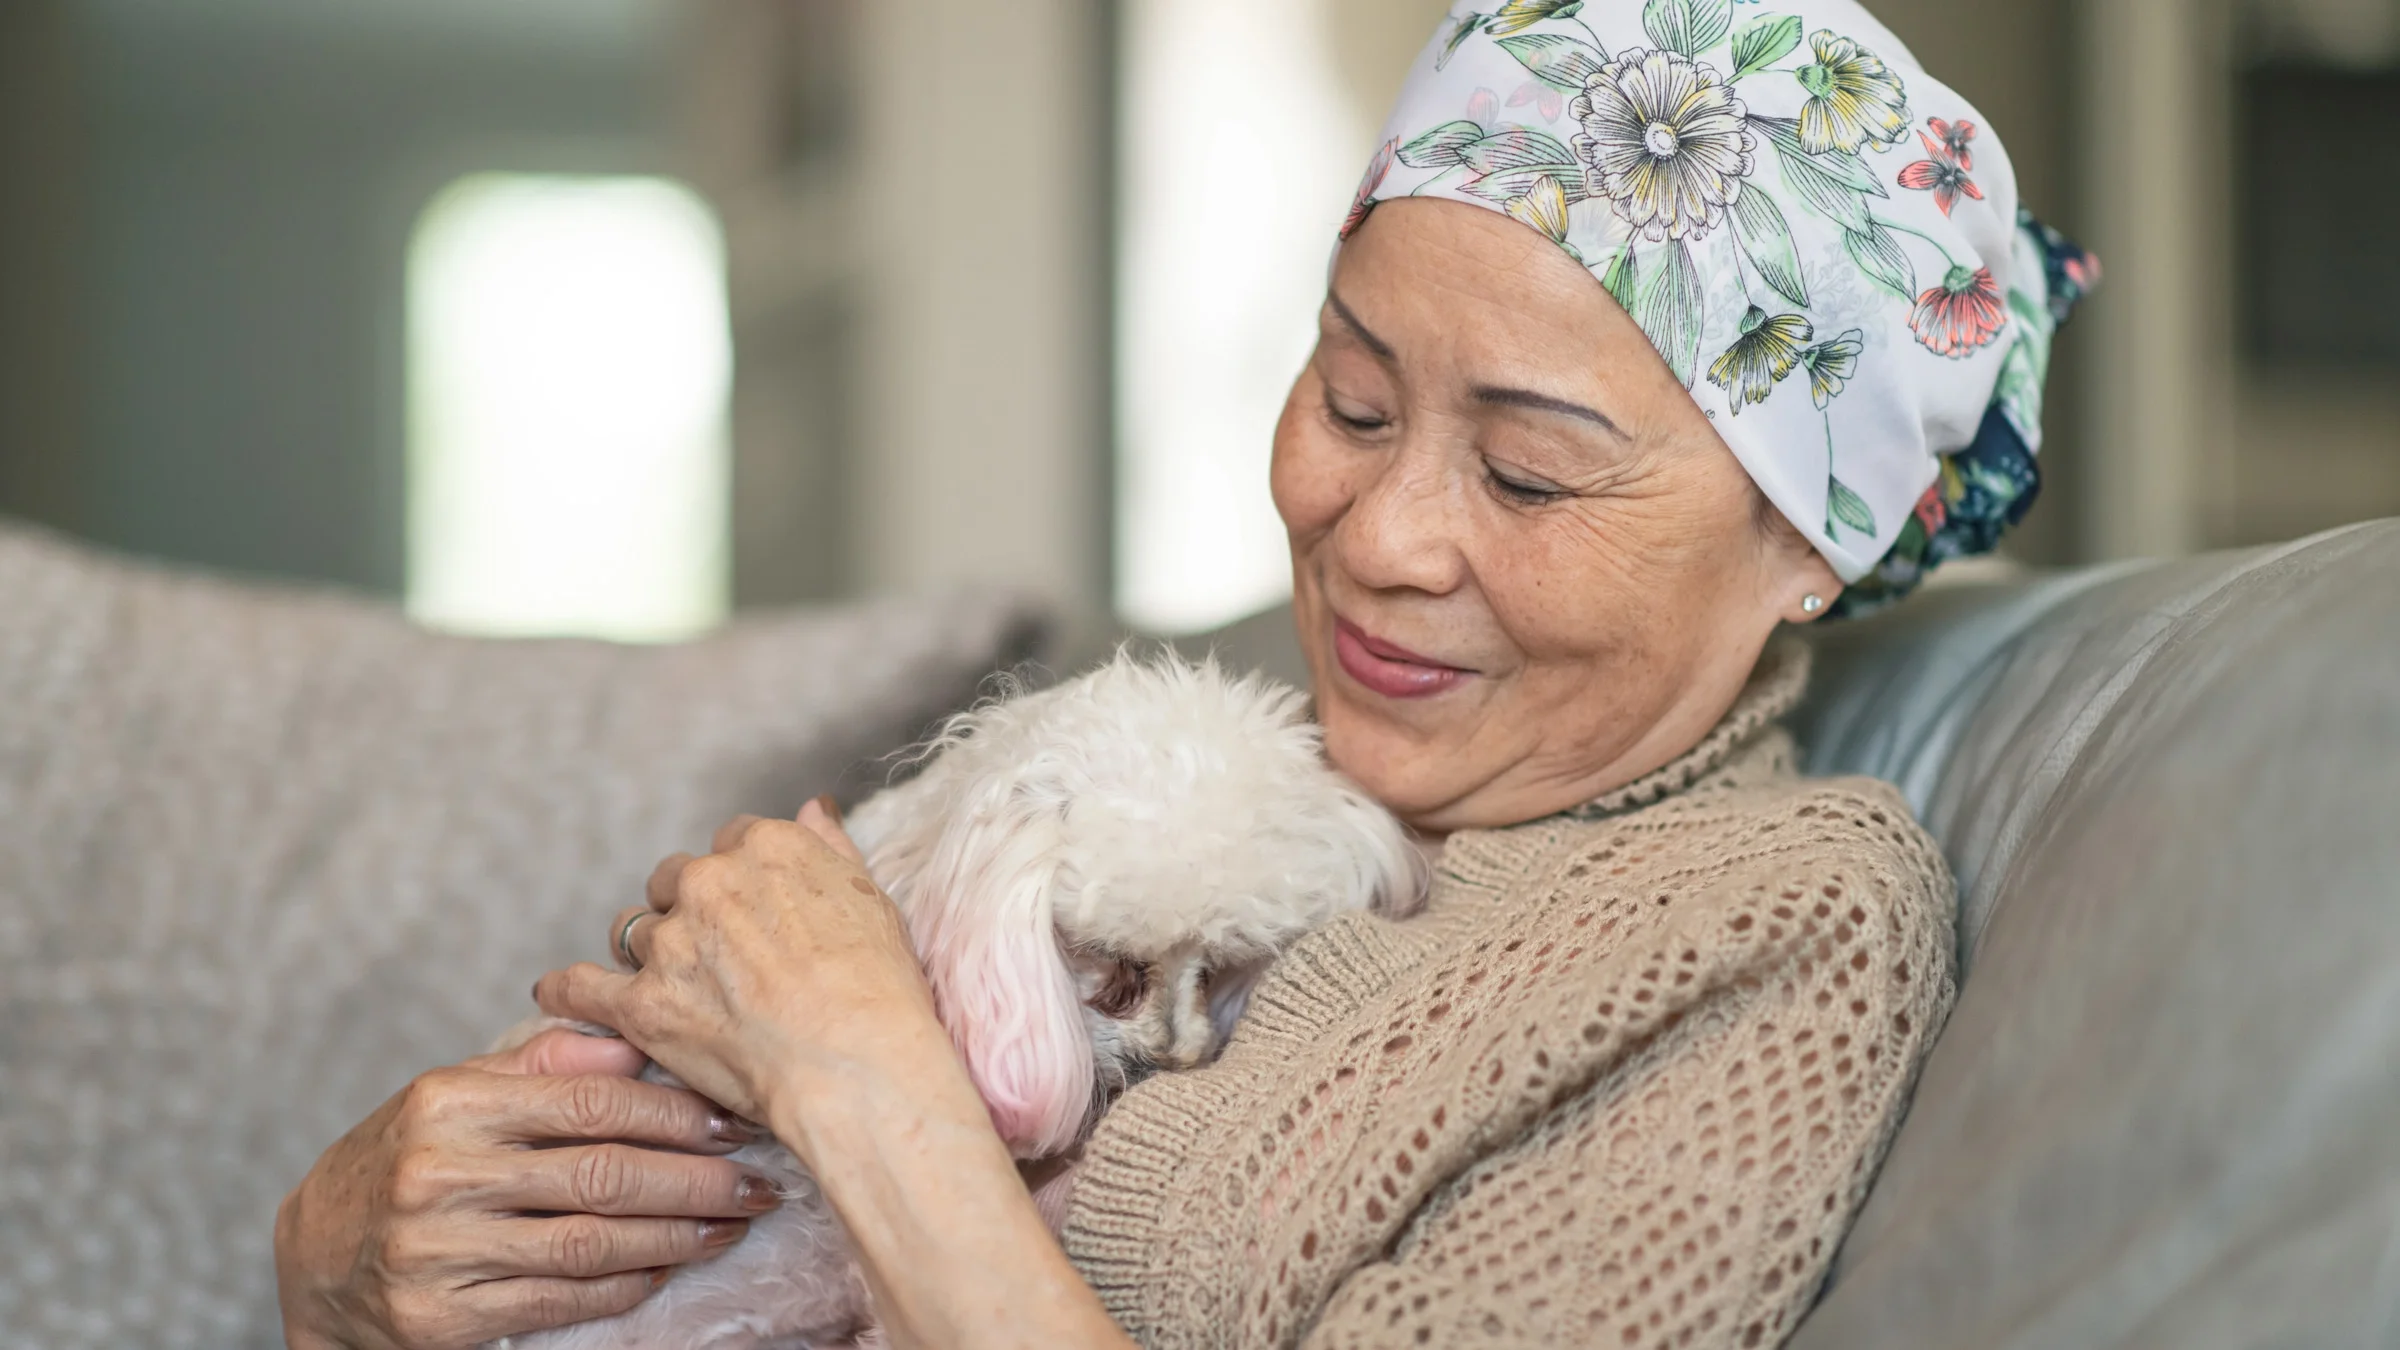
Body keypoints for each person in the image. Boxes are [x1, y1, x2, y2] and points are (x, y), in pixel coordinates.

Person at [274, 3, 2095, 1346]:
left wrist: (869, 1081)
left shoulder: (1780, 918)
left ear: (1808, 546)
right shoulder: (1218, 757)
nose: (1378, 534)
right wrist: (340, 1268)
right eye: (1354, 398)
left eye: (1528, 472)